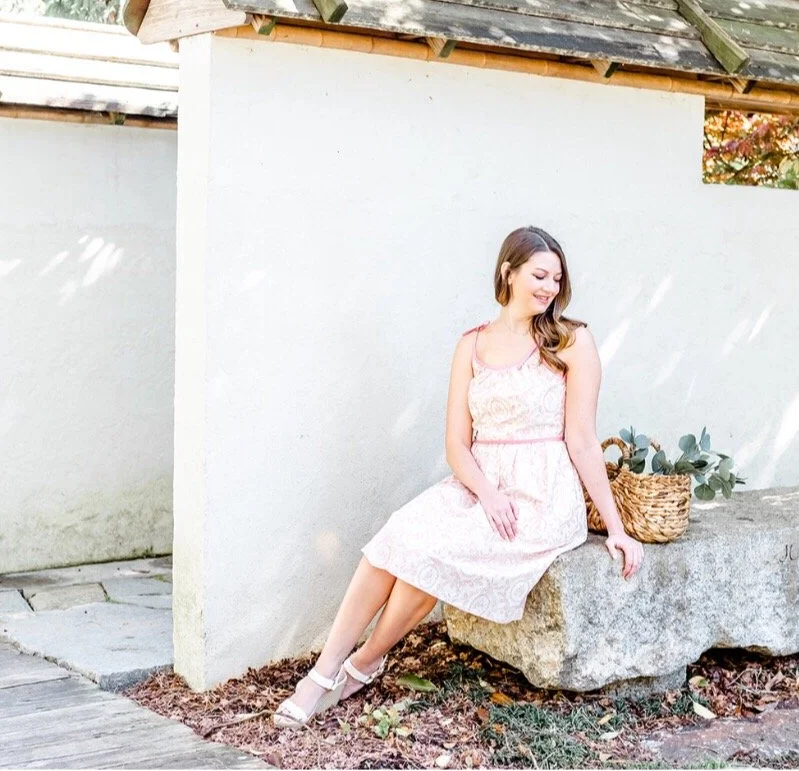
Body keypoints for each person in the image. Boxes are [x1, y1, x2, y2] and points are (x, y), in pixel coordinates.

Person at [272, 226, 645, 728]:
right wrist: (486, 493)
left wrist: (617, 529)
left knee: (432, 555)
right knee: (395, 539)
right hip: (480, 485)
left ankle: (363, 663)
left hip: (540, 496)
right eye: (539, 275)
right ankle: (323, 673)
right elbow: (456, 445)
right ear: (507, 272)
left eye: (557, 279)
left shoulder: (572, 341)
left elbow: (581, 440)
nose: (550, 287)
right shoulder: (471, 344)